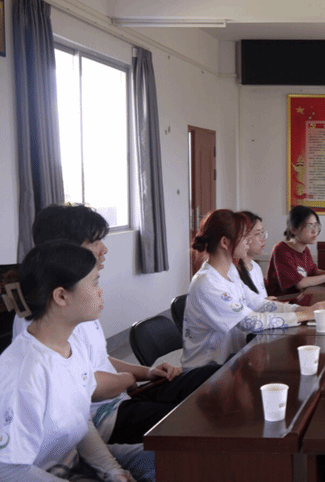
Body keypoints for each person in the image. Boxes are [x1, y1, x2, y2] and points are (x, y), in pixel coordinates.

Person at [12, 203, 218, 446]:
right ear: (66, 250)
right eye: (94, 242)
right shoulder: (49, 313)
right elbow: (85, 385)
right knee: (195, 419)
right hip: (101, 416)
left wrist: (147, 373)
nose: (104, 249)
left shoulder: (77, 300)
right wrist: (127, 379)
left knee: (210, 376)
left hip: (120, 397)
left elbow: (99, 358)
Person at [0, 242, 142, 481]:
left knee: (170, 457)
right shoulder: (25, 370)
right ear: (61, 296)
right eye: (94, 282)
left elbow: (81, 421)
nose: (100, 291)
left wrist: (113, 471)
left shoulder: (71, 347)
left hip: (75, 463)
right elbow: (9, 470)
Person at [183, 209, 325, 368]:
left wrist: (308, 310)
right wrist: (305, 315)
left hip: (231, 362)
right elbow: (251, 322)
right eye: (244, 236)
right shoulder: (207, 282)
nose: (249, 241)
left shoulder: (230, 272)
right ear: (225, 243)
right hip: (206, 371)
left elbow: (259, 304)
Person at [266, 206, 325, 297]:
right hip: (283, 301)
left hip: (301, 297)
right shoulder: (281, 250)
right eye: (309, 226)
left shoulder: (305, 250)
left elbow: (313, 272)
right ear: (293, 229)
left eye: (316, 225)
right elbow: (299, 283)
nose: (314, 231)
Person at [236, 211, 271, 299]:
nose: (263, 238)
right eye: (258, 234)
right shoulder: (234, 271)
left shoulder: (256, 267)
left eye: (263, 232)